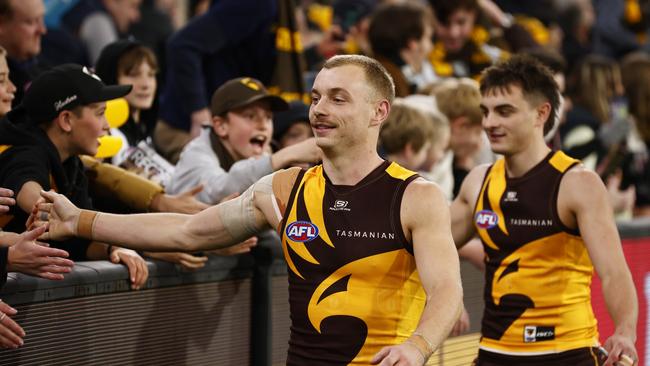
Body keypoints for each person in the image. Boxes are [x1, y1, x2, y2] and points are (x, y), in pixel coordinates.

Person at [38, 54, 463, 365]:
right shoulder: (282, 189)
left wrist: (417, 347)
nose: (319, 110)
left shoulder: (415, 195)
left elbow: (447, 289)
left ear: (379, 112)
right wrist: (80, 220)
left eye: (338, 99)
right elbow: (185, 232)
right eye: (316, 97)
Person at [451, 55, 638, 365]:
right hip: (494, 354)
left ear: (541, 114)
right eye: (486, 112)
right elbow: (429, 247)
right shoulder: (478, 182)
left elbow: (614, 273)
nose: (489, 123)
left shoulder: (577, 183)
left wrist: (625, 331)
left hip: (565, 353)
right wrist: (448, 294)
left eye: (504, 111)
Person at [0, 64, 149, 290]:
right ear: (66, 120)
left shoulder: (70, 163)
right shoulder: (24, 153)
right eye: (100, 114)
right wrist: (44, 207)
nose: (107, 126)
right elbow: (33, 195)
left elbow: (79, 242)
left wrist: (114, 249)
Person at [167, 77, 320, 205]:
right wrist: (284, 156)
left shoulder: (262, 155)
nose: (263, 126)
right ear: (221, 126)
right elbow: (218, 190)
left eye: (268, 117)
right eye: (250, 116)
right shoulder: (196, 155)